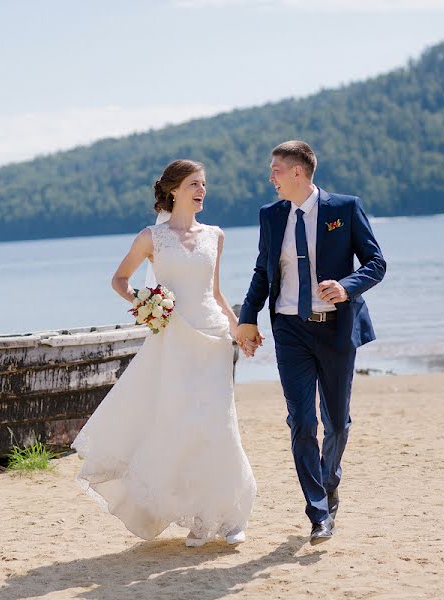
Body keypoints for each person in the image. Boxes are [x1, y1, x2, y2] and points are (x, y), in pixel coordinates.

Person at [72, 159, 257, 547]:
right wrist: (146, 302)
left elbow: (217, 293)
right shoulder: (151, 238)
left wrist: (239, 329)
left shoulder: (215, 236)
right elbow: (119, 280)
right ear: (173, 190)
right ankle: (196, 520)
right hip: (173, 339)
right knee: (182, 424)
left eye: (204, 184)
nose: (201, 190)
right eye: (194, 184)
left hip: (213, 338)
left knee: (220, 425)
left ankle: (228, 517)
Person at [236, 141, 386, 545]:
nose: (271, 178)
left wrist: (347, 285)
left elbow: (376, 263)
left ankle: (329, 479)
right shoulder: (271, 216)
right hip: (290, 330)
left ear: (297, 172)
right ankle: (319, 512)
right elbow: (262, 270)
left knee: (336, 421)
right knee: (302, 421)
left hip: (337, 328)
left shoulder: (344, 209)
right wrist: (246, 318)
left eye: (276, 171)